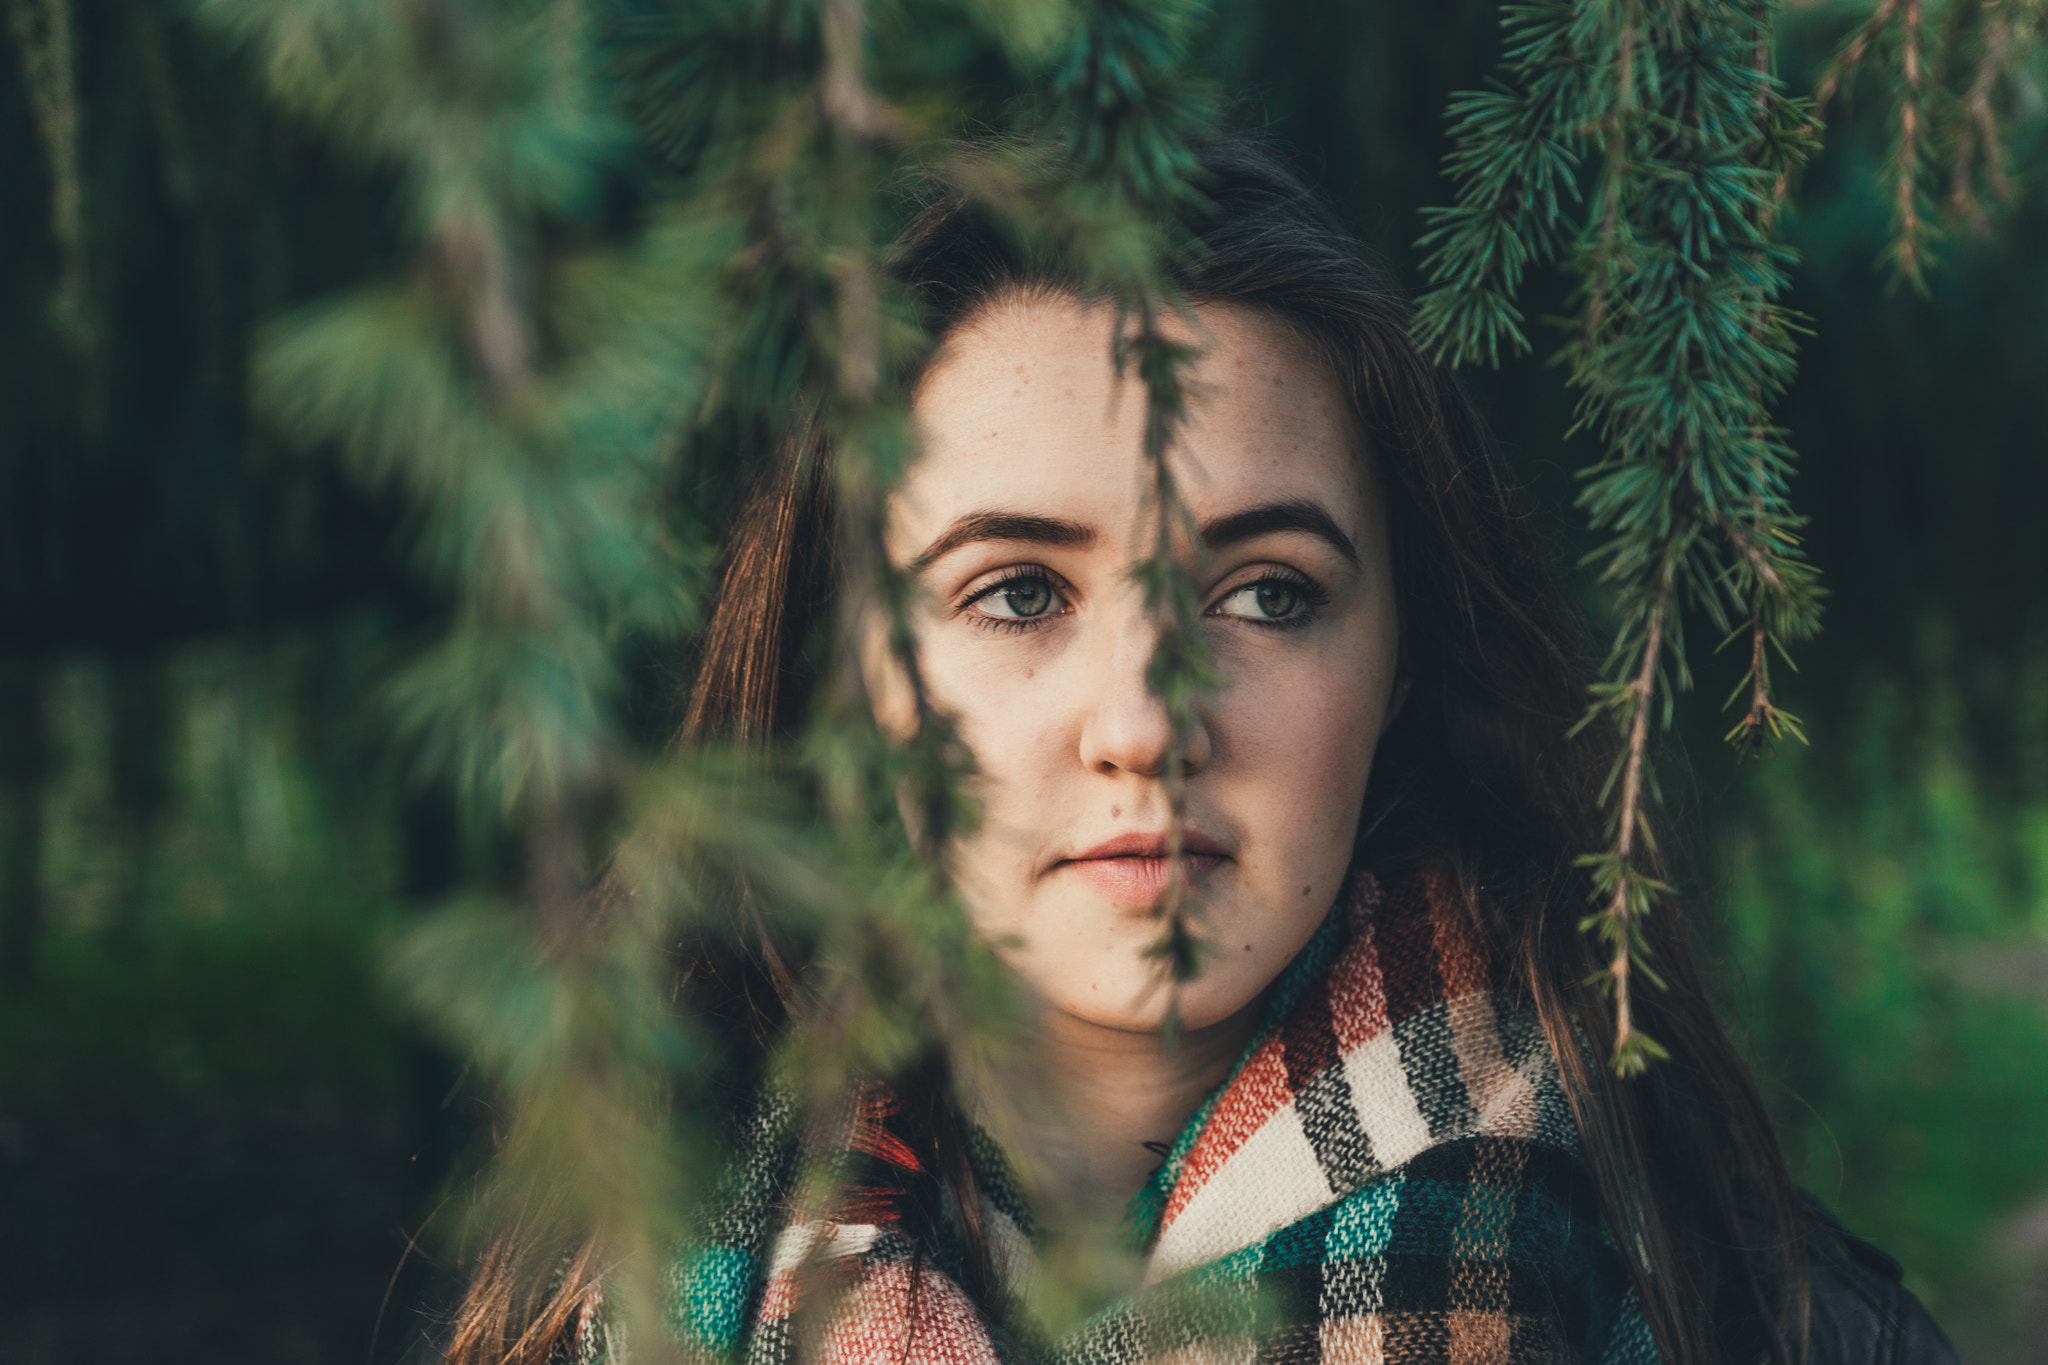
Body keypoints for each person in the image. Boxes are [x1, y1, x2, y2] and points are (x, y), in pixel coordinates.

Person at [442, 137, 1955, 1365]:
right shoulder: (612, 1309)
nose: (1151, 722)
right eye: (1019, 590)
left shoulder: (1778, 1330)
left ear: (1402, 669)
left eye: (1267, 593)